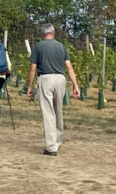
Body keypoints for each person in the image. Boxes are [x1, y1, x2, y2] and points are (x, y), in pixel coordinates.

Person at [27, 23, 81, 156]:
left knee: (48, 112)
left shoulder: (39, 46)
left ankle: (51, 147)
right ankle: (58, 140)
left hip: (45, 78)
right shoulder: (61, 46)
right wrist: (75, 85)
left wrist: (29, 86)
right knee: (58, 110)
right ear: (54, 33)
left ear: (42, 34)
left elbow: (33, 67)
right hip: (60, 79)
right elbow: (69, 66)